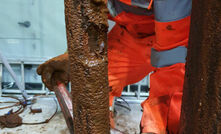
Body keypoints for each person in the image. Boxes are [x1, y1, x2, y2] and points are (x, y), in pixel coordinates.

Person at [37, 0, 191, 133]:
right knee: (93, 82)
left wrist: (156, 124)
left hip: (178, 43)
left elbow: (172, 62)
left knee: (169, 115)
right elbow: (88, 22)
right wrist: (74, 57)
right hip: (132, 36)